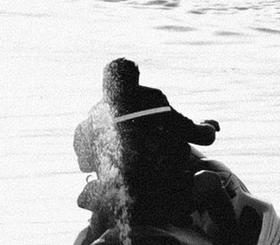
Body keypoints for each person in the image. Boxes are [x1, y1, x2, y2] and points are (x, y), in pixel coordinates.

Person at [72, 54, 223, 232]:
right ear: (136, 80)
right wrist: (210, 127)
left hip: (124, 204)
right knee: (211, 180)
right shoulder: (154, 101)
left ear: (106, 84)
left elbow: (85, 165)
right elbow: (203, 137)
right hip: (165, 200)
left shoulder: (94, 120)